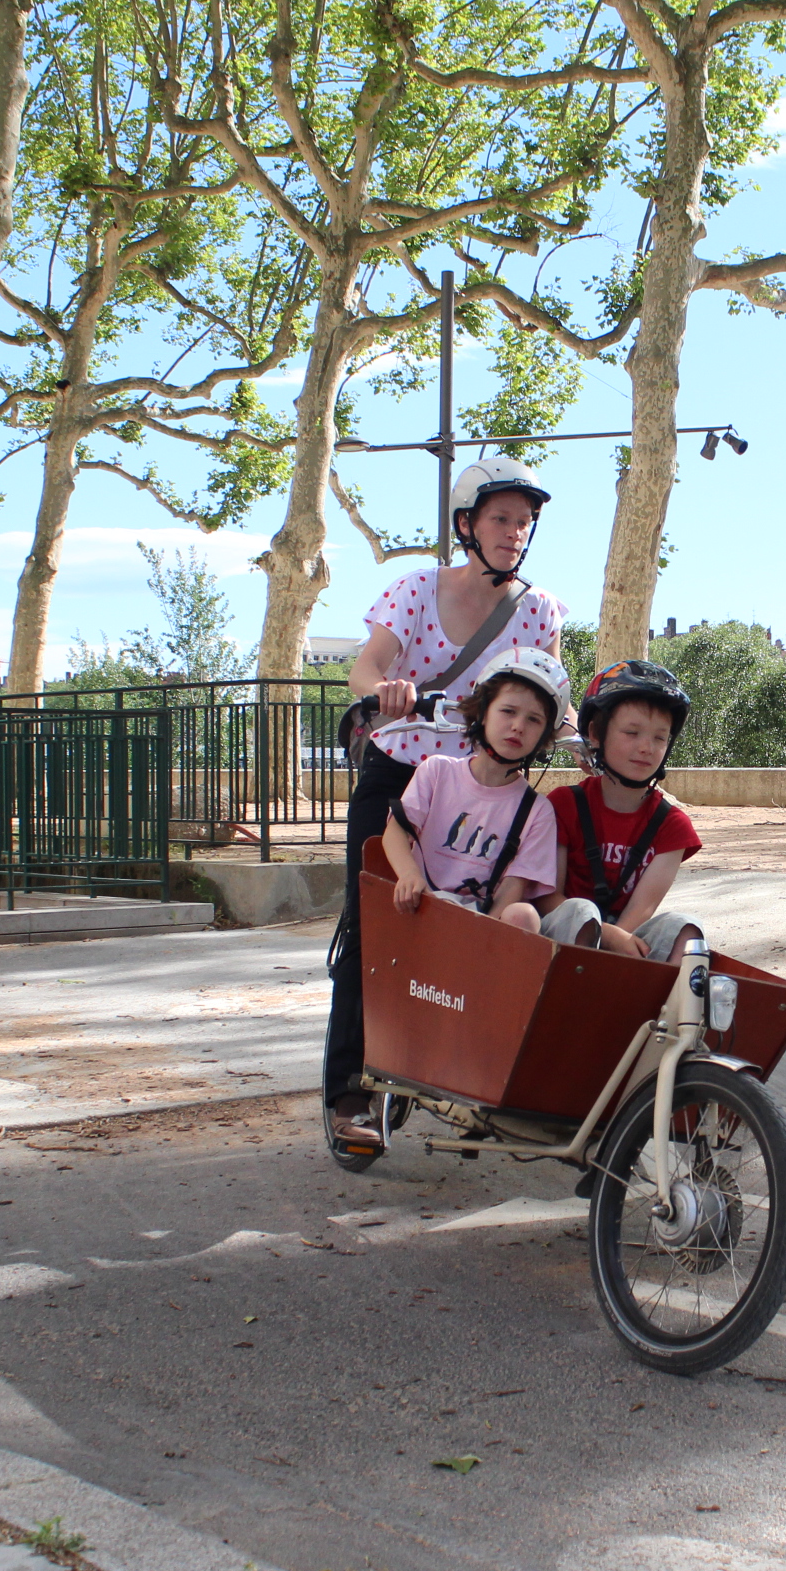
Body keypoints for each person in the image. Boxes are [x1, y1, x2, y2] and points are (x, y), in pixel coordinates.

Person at [323, 455, 569, 1157]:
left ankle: (464, 1068)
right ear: (467, 525)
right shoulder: (416, 589)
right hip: (402, 771)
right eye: (501, 518)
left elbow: (553, 690)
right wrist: (388, 692)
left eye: (524, 521)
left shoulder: (539, 610)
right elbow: (365, 667)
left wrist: (593, 739)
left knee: (481, 923)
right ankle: (350, 1094)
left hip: (482, 782)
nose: (514, 532)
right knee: (375, 924)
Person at [380, 648, 567, 932]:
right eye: (508, 711)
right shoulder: (437, 771)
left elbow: (514, 886)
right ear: (482, 712)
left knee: (523, 913)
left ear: (544, 735)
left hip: (484, 923)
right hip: (423, 905)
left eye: (534, 719)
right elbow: (396, 830)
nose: (518, 726)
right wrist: (409, 875)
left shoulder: (538, 810)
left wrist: (480, 936)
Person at [536, 659, 707, 961]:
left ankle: (666, 993)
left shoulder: (672, 825)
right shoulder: (564, 804)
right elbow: (548, 897)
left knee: (686, 928)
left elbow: (643, 908)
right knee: (581, 911)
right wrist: (605, 933)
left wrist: (615, 941)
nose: (646, 747)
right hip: (563, 937)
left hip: (626, 938)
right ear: (596, 733)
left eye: (659, 737)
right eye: (632, 732)